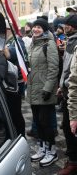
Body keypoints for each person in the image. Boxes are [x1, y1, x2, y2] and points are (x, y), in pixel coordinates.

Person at [27, 17, 59, 167]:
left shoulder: (49, 44)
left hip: (45, 90)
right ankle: (42, 148)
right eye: (35, 27)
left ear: (45, 30)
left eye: (40, 27)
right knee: (38, 123)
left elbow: (53, 69)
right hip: (34, 89)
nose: (36, 29)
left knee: (46, 123)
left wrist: (47, 89)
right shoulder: (34, 44)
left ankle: (52, 152)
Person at [57, 15, 77, 175]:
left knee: (72, 128)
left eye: (67, 24)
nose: (64, 27)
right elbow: (67, 68)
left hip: (73, 91)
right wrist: (61, 85)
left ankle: (74, 161)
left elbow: (74, 73)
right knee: (66, 126)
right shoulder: (70, 41)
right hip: (67, 90)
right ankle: (72, 157)